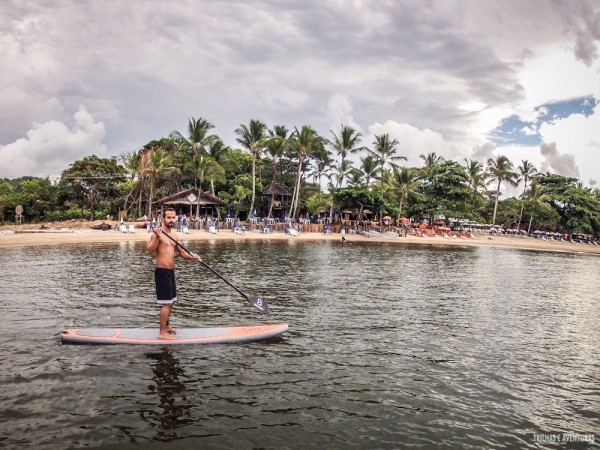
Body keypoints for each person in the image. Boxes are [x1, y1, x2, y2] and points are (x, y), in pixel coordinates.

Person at [147, 207, 200, 340]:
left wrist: (192, 257)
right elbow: (149, 251)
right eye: (168, 217)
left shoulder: (175, 236)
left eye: (173, 217)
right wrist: (157, 238)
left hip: (171, 272)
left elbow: (182, 253)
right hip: (162, 272)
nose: (171, 220)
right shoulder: (157, 234)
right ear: (163, 219)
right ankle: (162, 332)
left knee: (171, 302)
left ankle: (166, 326)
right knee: (166, 303)